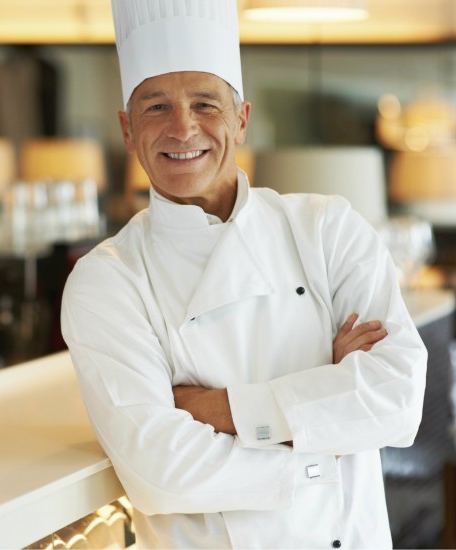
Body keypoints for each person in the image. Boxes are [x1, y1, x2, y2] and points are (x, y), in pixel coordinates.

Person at [61, 1, 427, 547]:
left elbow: (397, 399)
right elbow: (161, 472)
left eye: (205, 103)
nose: (182, 127)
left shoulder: (327, 228)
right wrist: (324, 428)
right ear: (128, 130)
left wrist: (217, 408)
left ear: (241, 119)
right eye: (155, 105)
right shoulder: (106, 281)